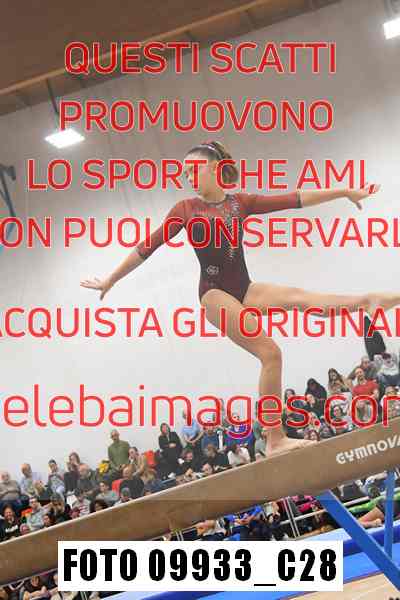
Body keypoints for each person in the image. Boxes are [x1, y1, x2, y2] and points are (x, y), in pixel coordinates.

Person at [81, 139, 394, 455]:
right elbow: (146, 247)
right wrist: (110, 279)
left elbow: (296, 199)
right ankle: (275, 439)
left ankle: (366, 302)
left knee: (301, 298)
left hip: (245, 287)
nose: (188, 177)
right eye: (185, 173)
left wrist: (344, 192)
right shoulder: (185, 210)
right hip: (214, 294)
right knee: (270, 353)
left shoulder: (240, 203)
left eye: (193, 170)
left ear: (214, 168)